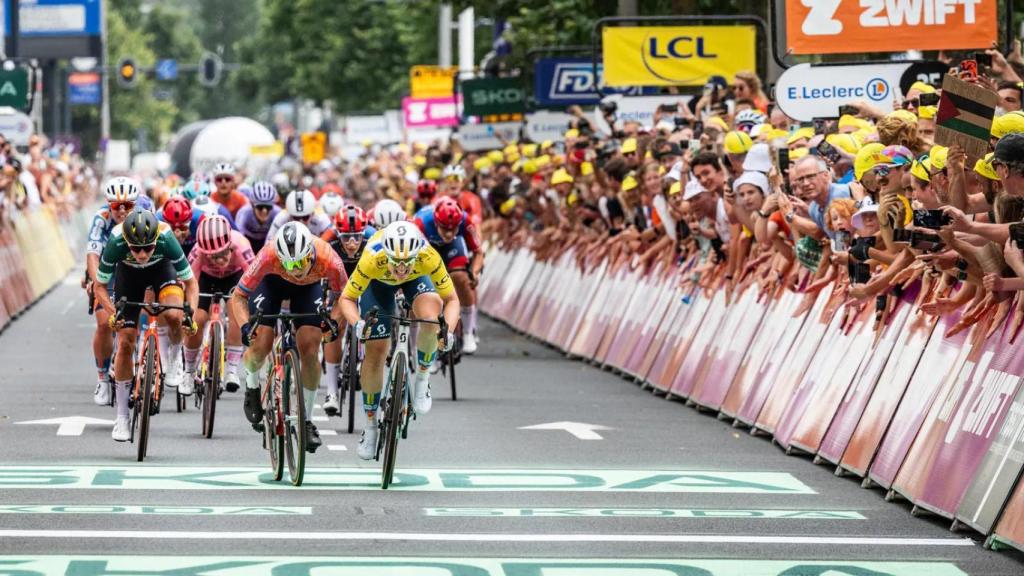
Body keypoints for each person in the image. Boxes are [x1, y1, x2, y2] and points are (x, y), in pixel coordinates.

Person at [338, 221, 460, 460]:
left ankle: (423, 378)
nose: (402, 268)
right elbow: (347, 299)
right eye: (397, 262)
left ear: (417, 254)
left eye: (407, 262)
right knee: (375, 352)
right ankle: (371, 426)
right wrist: (358, 324)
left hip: (418, 279)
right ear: (387, 256)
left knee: (432, 317)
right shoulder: (372, 258)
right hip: (378, 285)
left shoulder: (428, 256)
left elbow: (452, 299)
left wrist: (449, 331)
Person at [231, 222, 348, 453]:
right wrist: (245, 326)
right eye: (289, 263)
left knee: (311, 347)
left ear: (310, 254)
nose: (295, 270)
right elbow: (239, 296)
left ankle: (305, 420)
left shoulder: (328, 257)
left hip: (308, 289)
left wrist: (334, 321)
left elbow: (344, 296)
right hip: (271, 285)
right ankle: (252, 388)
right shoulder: (268, 255)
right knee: (261, 342)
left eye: (300, 262)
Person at [92, 209, 198, 441]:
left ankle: (175, 357)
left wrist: (189, 312)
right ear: (127, 243)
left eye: (148, 248)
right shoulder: (116, 241)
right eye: (136, 248)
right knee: (126, 342)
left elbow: (190, 282)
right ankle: (122, 418)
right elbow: (99, 287)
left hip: (162, 271)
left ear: (156, 241)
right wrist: (113, 312)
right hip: (128, 278)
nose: (141, 254)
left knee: (173, 315)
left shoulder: (167, 238)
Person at [84, 177, 148, 405]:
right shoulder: (101, 219)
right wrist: (94, 281)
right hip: (107, 270)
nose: (121, 210)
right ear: (108, 204)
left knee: (140, 318)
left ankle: (139, 363)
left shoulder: (146, 213)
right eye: (116, 206)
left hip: (136, 267)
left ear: (136, 204)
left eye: (127, 206)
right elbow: (93, 255)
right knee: (104, 322)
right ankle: (102, 378)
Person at [184, 215, 256, 393]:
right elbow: (188, 282)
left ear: (230, 245)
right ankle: (188, 371)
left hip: (234, 276)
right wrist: (188, 309)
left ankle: (231, 369)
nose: (220, 260)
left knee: (235, 311)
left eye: (224, 253)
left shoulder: (241, 244)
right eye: (213, 257)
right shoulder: (197, 252)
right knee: (197, 318)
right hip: (206, 278)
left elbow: (255, 278)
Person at [319, 204, 375, 416]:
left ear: (364, 233)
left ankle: (365, 358)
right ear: (338, 235)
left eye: (356, 237)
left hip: (365, 277)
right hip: (338, 280)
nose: (351, 243)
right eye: (346, 238)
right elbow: (315, 266)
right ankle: (332, 391)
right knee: (334, 328)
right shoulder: (328, 238)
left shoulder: (373, 237)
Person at [414, 196, 484, 353]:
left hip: (453, 248)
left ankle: (468, 332)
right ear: (437, 223)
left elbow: (479, 252)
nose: (449, 233)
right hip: (427, 248)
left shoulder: (466, 220)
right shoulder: (420, 223)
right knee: (426, 284)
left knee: (462, 278)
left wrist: (473, 273)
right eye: (445, 228)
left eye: (453, 229)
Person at [234, 181, 282, 253]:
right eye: (260, 207)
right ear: (252, 205)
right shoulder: (244, 213)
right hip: (248, 242)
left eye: (268, 207)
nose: (264, 211)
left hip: (269, 242)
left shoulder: (278, 213)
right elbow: (238, 239)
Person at [267, 189, 331, 239]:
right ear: (289, 213)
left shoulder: (321, 218)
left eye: (305, 217)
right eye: (296, 218)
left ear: (312, 213)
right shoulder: (281, 217)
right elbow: (268, 243)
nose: (301, 222)